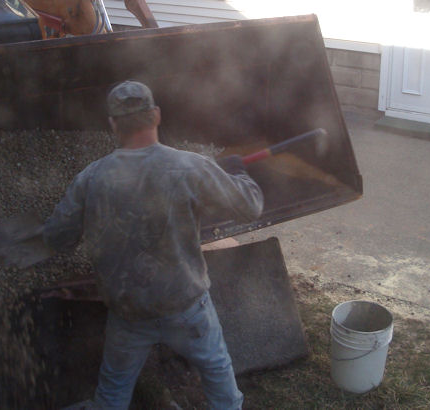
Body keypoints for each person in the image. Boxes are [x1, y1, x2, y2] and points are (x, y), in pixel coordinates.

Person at [43, 80, 264, 409]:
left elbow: (57, 237)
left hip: (129, 312)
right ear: (156, 115)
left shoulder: (92, 177)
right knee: (217, 372)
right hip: (186, 307)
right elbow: (251, 206)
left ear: (113, 124)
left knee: (114, 389)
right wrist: (237, 173)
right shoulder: (190, 166)